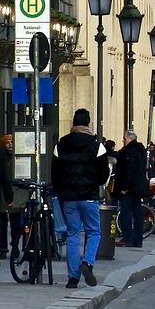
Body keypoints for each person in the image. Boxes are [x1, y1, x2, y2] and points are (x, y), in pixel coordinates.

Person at [52, 108, 110, 289]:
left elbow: (55, 175)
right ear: (89, 124)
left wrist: (62, 192)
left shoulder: (60, 146)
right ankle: (88, 263)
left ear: (73, 124)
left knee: (72, 234)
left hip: (69, 198)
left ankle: (72, 277)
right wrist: (94, 185)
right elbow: (103, 174)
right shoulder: (97, 146)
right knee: (94, 232)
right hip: (89, 197)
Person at [113, 130, 148, 248]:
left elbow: (129, 170)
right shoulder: (139, 150)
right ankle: (137, 239)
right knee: (137, 212)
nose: (123, 140)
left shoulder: (130, 151)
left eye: (124, 138)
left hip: (129, 188)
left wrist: (124, 187)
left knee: (126, 212)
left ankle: (127, 237)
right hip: (137, 188)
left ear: (130, 139)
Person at [0, 134, 19, 259]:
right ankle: (2, 247)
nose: (10, 145)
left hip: (10, 191)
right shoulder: (0, 154)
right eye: (8, 142)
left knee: (16, 222)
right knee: (1, 221)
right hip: (2, 192)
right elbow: (5, 176)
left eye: (12, 142)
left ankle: (14, 246)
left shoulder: (15, 156)